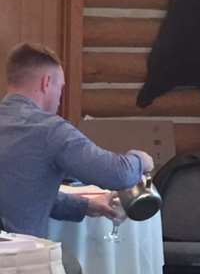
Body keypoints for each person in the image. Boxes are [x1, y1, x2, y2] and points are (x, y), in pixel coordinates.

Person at [0, 42, 154, 240]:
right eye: (60, 88)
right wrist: (140, 160)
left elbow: (22, 194)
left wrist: (85, 206)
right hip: (17, 254)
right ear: (46, 82)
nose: (59, 99)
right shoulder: (49, 130)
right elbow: (117, 174)